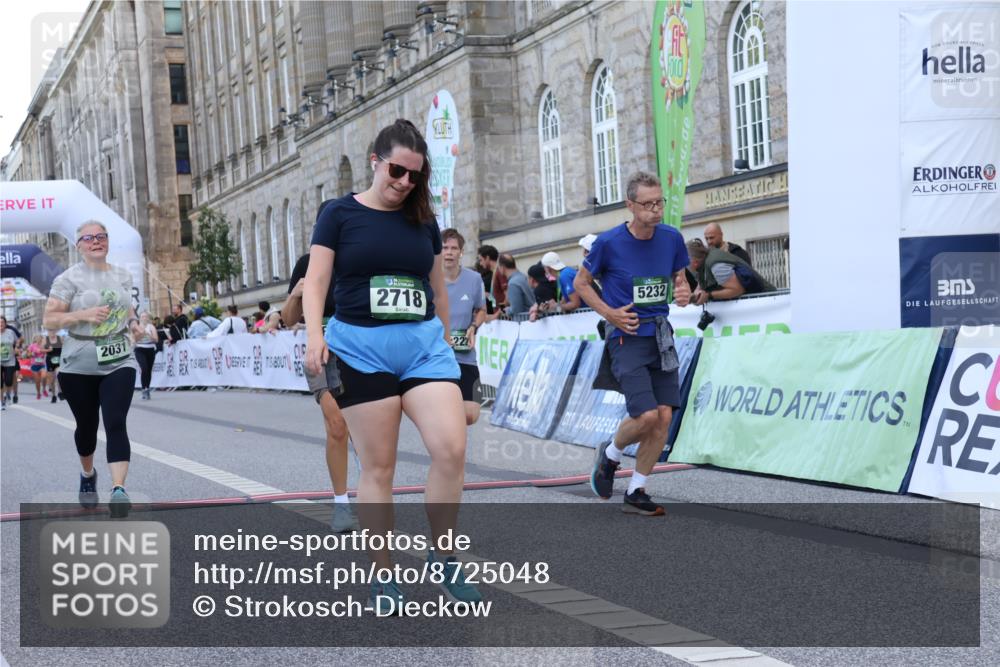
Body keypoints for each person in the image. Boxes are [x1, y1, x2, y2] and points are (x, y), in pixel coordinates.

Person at [303, 119, 481, 613]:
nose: (404, 183)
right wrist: (315, 336)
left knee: (451, 448)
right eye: (397, 171)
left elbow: (438, 291)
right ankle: (384, 574)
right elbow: (317, 282)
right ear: (376, 162)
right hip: (361, 349)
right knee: (379, 467)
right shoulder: (338, 214)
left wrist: (447, 346)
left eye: (414, 177)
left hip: (423, 345)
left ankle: (442, 554)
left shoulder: (422, 220)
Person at [573, 171, 692, 516]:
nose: (656, 210)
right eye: (648, 204)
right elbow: (582, 284)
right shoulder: (608, 243)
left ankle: (637, 489)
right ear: (630, 205)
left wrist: (682, 291)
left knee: (665, 417)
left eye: (660, 202)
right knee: (646, 416)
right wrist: (610, 314)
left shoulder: (671, 238)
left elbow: (679, 279)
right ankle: (610, 453)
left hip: (660, 336)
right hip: (626, 337)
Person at [42, 220, 143, 510]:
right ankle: (88, 474)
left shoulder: (123, 275)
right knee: (87, 427)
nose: (96, 241)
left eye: (101, 236)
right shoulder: (67, 279)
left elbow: (125, 305)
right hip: (78, 364)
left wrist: (134, 323)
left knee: (115, 421)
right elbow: (49, 320)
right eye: (89, 238)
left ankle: (119, 490)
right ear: (79, 246)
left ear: (108, 241)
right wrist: (82, 314)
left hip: (119, 357)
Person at [283, 236, 359, 534]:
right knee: (337, 425)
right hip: (322, 354)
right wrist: (295, 295)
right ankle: (341, 503)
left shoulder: (359, 260)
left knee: (366, 429)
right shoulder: (307, 263)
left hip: (360, 351)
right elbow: (289, 319)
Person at [442, 228, 486, 425]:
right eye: (445, 248)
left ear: (461, 252)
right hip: (438, 357)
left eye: (454, 248)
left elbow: (481, 310)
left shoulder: (474, 279)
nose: (449, 252)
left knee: (471, 415)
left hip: (466, 356)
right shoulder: (428, 279)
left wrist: (474, 327)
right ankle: (450, 448)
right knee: (447, 412)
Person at [687, 238, 775, 305]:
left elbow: (737, 290)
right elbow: (701, 286)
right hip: (757, 303)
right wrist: (694, 297)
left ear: (694, 262)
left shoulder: (716, 266)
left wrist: (709, 295)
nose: (683, 266)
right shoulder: (703, 263)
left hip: (767, 302)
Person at [133, 311, 159, 400]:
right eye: (142, 316)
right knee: (144, 368)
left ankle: (147, 388)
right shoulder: (137, 327)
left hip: (150, 349)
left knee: (149, 370)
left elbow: (156, 340)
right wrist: (141, 334)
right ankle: (144, 389)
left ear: (148, 318)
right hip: (140, 349)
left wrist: (149, 335)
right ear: (139, 318)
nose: (144, 318)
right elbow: (134, 340)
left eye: (145, 316)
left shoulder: (151, 327)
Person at [0, 316, 19, 409]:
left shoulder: (10, 332)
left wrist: (16, 347)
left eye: (2, 322)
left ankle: (8, 394)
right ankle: (2, 402)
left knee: (8, 381)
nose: (0, 324)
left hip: (10, 360)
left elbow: (18, 341)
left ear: (5, 324)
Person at [4, 318, 24, 404]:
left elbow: (21, 338)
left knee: (14, 377)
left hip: (12, 356)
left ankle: (15, 394)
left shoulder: (11, 329)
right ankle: (6, 394)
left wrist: (17, 346)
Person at [26, 335, 49, 399]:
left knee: (44, 376)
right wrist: (32, 354)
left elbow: (49, 352)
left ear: (42, 339)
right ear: (35, 339)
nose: (39, 340)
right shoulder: (32, 346)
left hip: (42, 364)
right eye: (37, 338)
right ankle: (38, 393)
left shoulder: (44, 346)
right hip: (34, 365)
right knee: (37, 381)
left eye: (40, 338)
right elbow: (27, 354)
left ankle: (44, 389)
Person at [44, 329, 63, 403]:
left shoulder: (60, 338)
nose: (52, 332)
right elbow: (40, 349)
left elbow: (65, 348)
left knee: (58, 375)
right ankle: (53, 395)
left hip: (59, 360)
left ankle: (60, 392)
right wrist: (48, 350)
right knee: (51, 380)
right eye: (50, 331)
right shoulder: (45, 340)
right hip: (50, 360)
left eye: (53, 330)